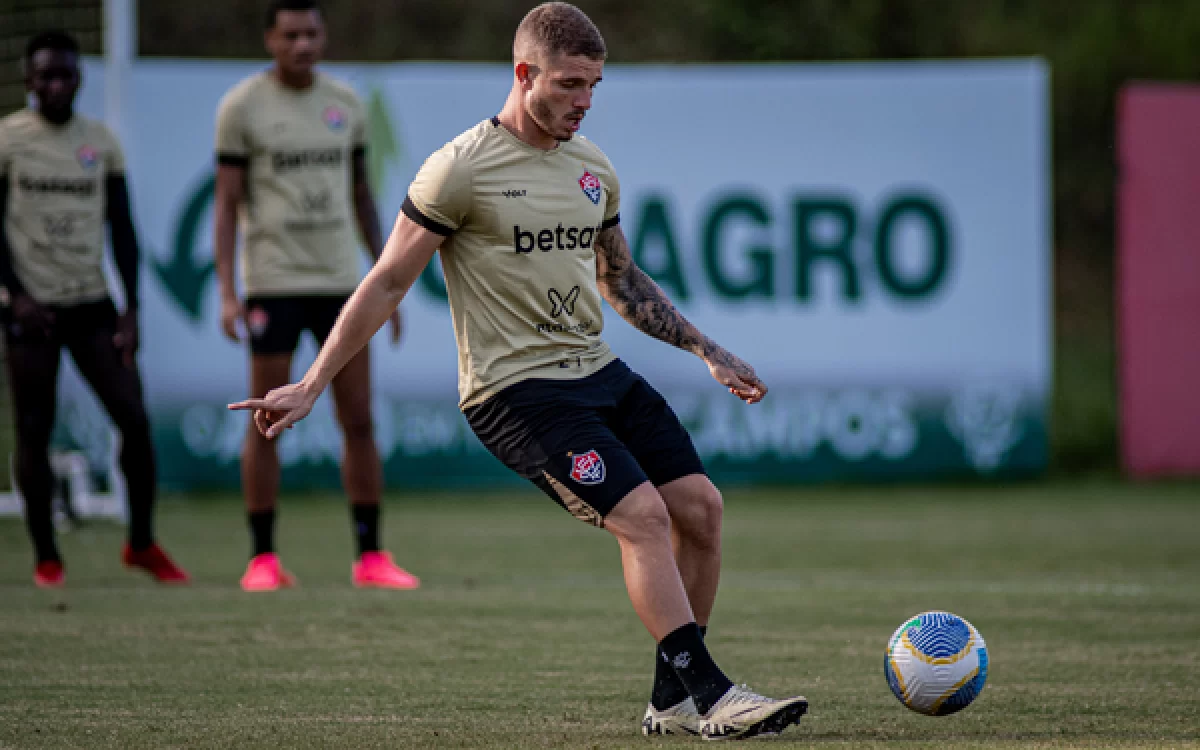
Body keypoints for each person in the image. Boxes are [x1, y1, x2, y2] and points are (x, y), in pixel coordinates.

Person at [230, 2, 807, 739]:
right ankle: (711, 695)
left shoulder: (592, 168)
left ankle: (671, 700)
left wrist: (705, 348)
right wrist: (312, 382)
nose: (584, 100)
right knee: (644, 518)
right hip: (515, 392)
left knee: (701, 510)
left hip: (598, 371)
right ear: (524, 72)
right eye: (569, 83)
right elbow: (384, 282)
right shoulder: (459, 168)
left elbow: (620, 280)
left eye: (594, 85)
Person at [214, 0, 418, 592]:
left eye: (312, 33)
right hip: (272, 284)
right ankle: (263, 559)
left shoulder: (346, 103)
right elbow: (226, 206)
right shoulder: (242, 108)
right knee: (268, 418)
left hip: (340, 286)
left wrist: (390, 281)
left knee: (358, 418)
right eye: (291, 34)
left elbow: (361, 195)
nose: (303, 44)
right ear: (270, 40)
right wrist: (228, 291)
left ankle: (371, 556)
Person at [0, 30, 189, 588]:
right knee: (33, 429)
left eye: (65, 74)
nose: (56, 84)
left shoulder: (100, 142)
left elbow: (123, 231)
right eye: (45, 75)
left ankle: (141, 543)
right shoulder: (9, 140)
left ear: (78, 78)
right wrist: (16, 294)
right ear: (29, 80)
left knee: (133, 417)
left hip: (91, 304)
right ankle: (46, 557)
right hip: (31, 310)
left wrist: (131, 311)